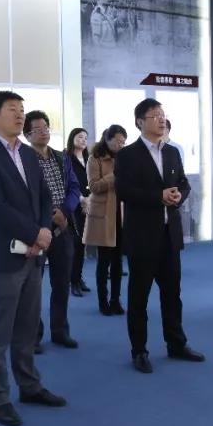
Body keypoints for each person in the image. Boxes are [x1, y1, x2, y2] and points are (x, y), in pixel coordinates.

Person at [0, 91, 66, 426]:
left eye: (22, 109)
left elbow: (44, 196)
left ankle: (29, 386)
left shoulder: (26, 153)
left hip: (33, 256)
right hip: (3, 257)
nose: (20, 115)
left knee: (26, 329)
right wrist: (35, 233)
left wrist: (44, 228)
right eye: (12, 109)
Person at [116, 98, 205, 374]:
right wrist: (158, 196)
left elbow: (183, 184)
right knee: (139, 298)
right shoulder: (128, 155)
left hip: (169, 236)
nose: (161, 119)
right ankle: (139, 350)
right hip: (142, 237)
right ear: (140, 122)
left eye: (163, 115)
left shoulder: (172, 152)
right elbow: (124, 191)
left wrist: (178, 196)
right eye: (155, 115)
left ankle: (176, 344)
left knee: (172, 294)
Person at [25, 111, 82, 350]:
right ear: (27, 135)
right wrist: (48, 215)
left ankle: (60, 331)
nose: (44, 132)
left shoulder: (61, 157)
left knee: (61, 283)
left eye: (46, 128)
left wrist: (65, 212)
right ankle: (33, 336)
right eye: (37, 129)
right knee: (32, 287)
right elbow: (23, 195)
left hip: (62, 228)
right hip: (36, 232)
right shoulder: (23, 159)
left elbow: (75, 188)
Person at [83, 124, 128, 316]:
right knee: (104, 262)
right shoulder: (95, 158)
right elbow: (93, 186)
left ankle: (115, 300)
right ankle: (103, 302)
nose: (120, 145)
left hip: (122, 213)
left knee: (118, 262)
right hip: (103, 215)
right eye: (117, 141)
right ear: (107, 139)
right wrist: (114, 176)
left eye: (123, 142)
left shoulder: (125, 157)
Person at [66, 128, 91, 298]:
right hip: (75, 205)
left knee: (83, 244)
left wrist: (90, 200)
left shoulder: (89, 159)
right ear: (72, 138)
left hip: (90, 205)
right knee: (75, 244)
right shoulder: (66, 158)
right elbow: (67, 183)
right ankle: (73, 281)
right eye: (80, 137)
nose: (83, 140)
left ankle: (78, 277)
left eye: (85, 138)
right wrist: (81, 199)